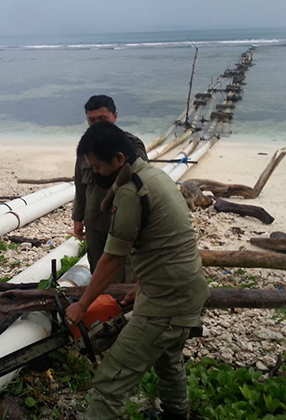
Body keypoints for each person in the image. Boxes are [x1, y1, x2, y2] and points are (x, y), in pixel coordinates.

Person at [66, 122, 209, 420]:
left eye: (98, 167)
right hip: (186, 288)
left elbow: (112, 259)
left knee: (111, 377)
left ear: (119, 159)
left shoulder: (132, 192)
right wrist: (141, 283)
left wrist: (82, 305)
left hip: (166, 301)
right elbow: (162, 243)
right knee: (168, 361)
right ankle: (177, 413)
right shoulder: (156, 176)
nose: (94, 174)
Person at [72, 95, 148, 281]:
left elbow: (143, 183)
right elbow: (81, 186)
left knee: (126, 272)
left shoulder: (131, 146)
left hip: (123, 223)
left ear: (115, 116)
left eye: (102, 119)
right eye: (92, 120)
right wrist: (77, 218)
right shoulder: (86, 149)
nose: (97, 124)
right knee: (97, 270)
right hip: (94, 223)